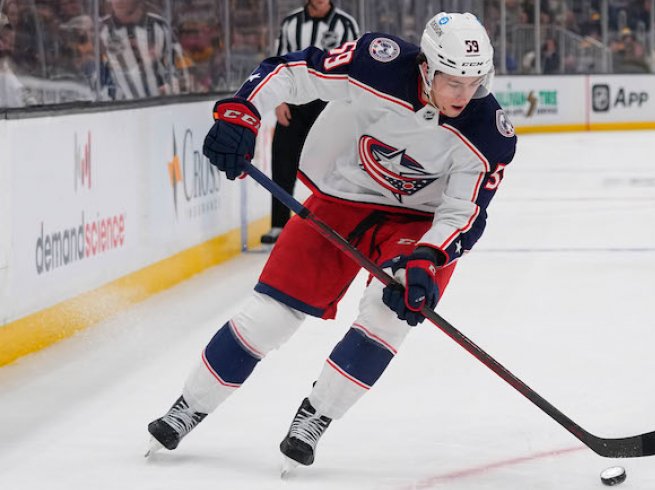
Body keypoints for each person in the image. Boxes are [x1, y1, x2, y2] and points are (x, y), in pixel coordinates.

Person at [146, 12, 516, 471]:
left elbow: (465, 211)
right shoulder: (377, 64)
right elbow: (291, 73)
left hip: (420, 225)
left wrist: (428, 258)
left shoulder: (489, 132)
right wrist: (243, 113)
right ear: (426, 68)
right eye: (453, 82)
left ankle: (316, 417)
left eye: (475, 82)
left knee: (388, 315)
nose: (465, 95)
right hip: (342, 196)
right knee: (270, 315)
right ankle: (189, 406)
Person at [261, 0, 359, 244]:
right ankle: (278, 223)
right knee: (282, 161)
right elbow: (279, 63)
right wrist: (279, 100)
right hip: (294, 103)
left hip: (329, 103)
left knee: (334, 166)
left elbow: (355, 66)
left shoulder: (346, 25)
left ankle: (337, 223)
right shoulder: (291, 23)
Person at [98, 0, 187, 100]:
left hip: (159, 106)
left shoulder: (159, 26)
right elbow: (92, 75)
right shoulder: (100, 30)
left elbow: (180, 68)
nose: (118, 1)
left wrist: (172, 86)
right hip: (116, 109)